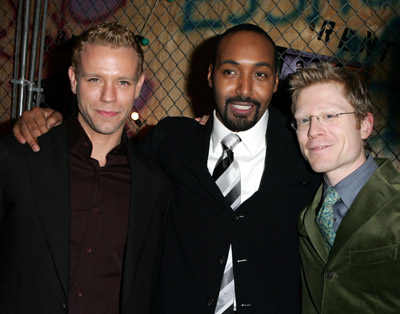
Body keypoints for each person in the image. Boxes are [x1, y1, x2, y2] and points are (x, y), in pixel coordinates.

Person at [13, 24, 321, 313]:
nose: (244, 88)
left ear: (276, 80)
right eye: (230, 71)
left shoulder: (305, 151)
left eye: (261, 75)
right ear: (211, 75)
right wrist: (48, 123)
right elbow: (108, 162)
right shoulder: (171, 142)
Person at [0, 23, 172, 314]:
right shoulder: (16, 157)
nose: (108, 96)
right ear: (73, 79)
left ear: (139, 86)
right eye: (95, 79)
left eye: (122, 82)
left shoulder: (155, 187)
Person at [289, 62, 400, 314]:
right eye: (304, 120)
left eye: (329, 116)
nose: (314, 131)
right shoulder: (308, 215)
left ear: (364, 125)